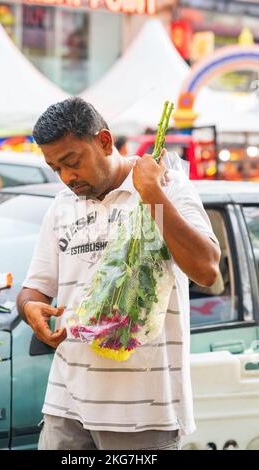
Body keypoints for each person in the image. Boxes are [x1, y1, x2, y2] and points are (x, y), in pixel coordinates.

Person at [17, 97, 220, 450]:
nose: (67, 177)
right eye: (56, 168)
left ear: (105, 141)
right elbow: (35, 288)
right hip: (66, 407)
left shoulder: (168, 186)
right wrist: (31, 309)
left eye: (72, 162)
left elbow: (206, 270)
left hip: (143, 414)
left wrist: (152, 194)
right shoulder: (61, 206)